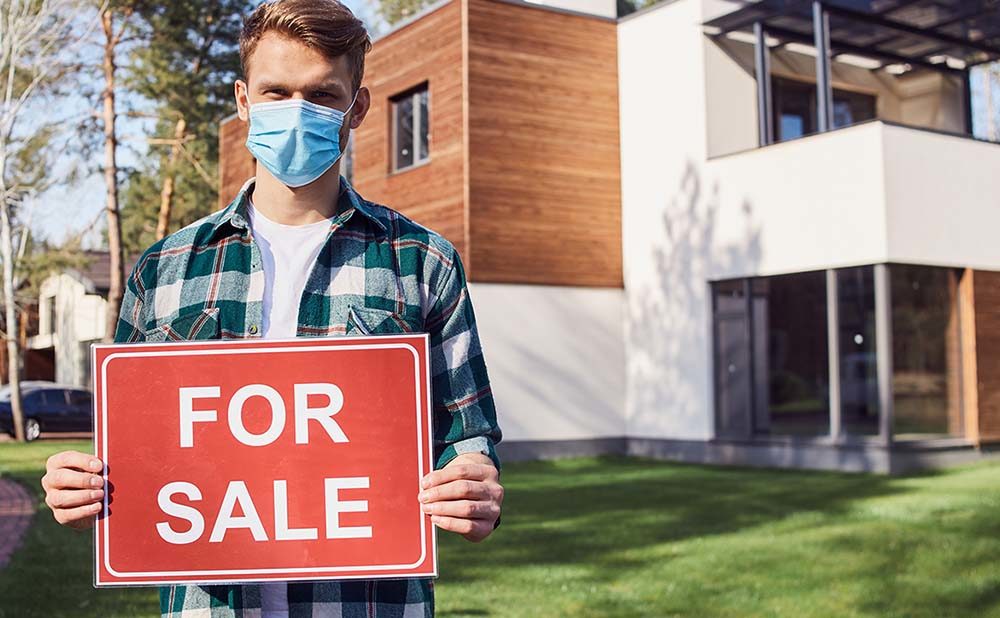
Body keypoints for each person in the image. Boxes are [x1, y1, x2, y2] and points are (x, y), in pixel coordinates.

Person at [40, 1, 503, 615]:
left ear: (357, 108)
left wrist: (473, 486)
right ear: (243, 101)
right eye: (276, 91)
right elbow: (128, 464)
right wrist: (83, 493)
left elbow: (468, 439)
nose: (296, 112)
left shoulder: (422, 261)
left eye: (322, 96)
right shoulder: (163, 270)